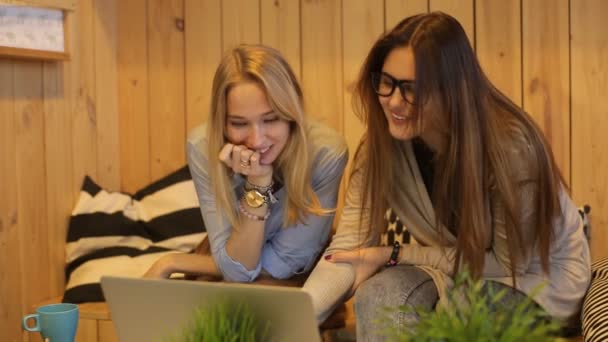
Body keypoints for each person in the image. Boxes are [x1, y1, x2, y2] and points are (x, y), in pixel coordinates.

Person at [302, 12, 591, 340]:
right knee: (377, 296)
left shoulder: (512, 149)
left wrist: (395, 254)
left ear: (452, 90)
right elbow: (348, 250)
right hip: (446, 272)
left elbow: (505, 266)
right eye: (387, 82)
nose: (394, 102)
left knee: (463, 308)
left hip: (534, 281)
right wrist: (289, 319)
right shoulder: (380, 148)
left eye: (412, 89)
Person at [144, 44, 348, 284]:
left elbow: (279, 266)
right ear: (222, 122)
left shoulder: (326, 153)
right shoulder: (202, 145)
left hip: (293, 268)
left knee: (250, 296)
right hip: (232, 251)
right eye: (239, 123)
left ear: (292, 113)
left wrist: (173, 262)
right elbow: (237, 268)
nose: (256, 140)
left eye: (271, 119)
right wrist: (259, 182)